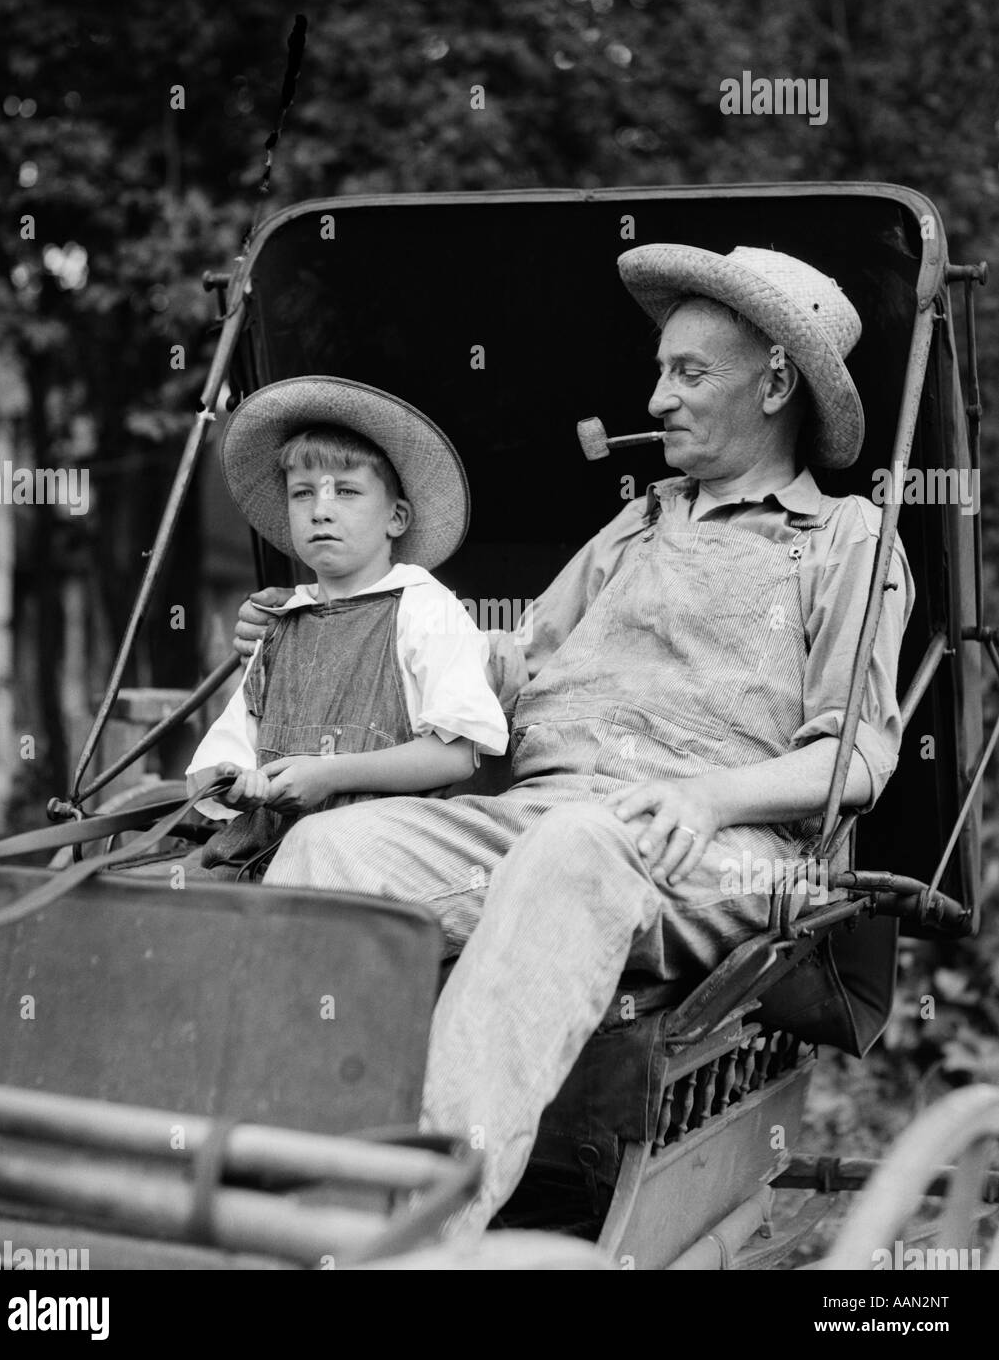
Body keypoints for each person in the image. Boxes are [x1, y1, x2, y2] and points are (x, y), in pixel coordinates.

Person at [233, 246, 915, 1230]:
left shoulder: (848, 537)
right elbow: (499, 670)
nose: (660, 397)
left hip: (710, 845)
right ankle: (277, 1202)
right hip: (541, 810)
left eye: (690, 373)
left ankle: (417, 1226)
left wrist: (708, 796)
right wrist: (331, 626)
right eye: (660, 372)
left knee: (574, 848)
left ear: (776, 381)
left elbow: (858, 758)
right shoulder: (634, 528)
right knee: (329, 848)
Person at [187, 376, 508, 879]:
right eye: (302, 494)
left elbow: (457, 755)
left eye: (347, 491)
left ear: (396, 518)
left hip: (380, 858)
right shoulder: (280, 622)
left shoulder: (425, 608)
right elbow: (224, 755)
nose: (321, 510)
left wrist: (331, 775)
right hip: (264, 854)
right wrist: (233, 781)